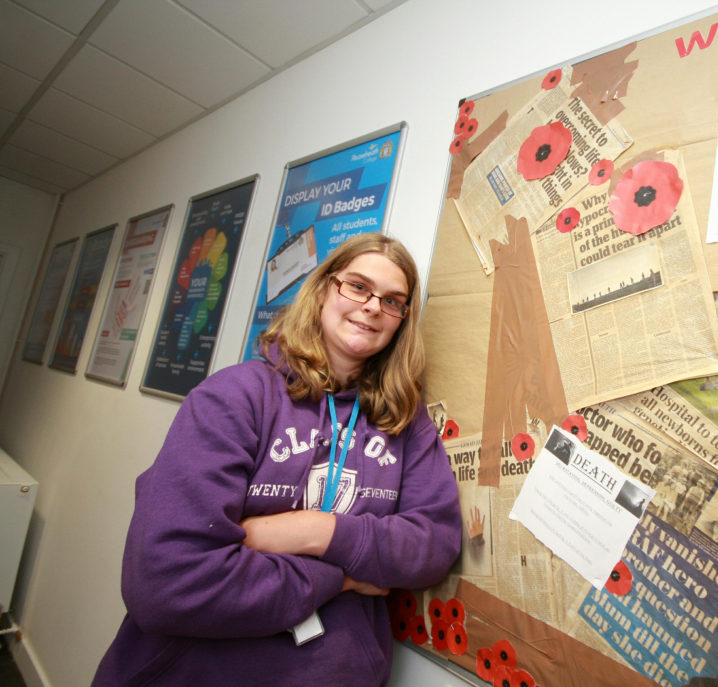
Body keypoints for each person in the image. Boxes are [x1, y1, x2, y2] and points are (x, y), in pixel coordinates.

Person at [92, 233, 462, 686]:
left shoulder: (404, 419)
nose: (372, 307)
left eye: (392, 301)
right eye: (358, 286)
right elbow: (166, 583)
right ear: (323, 289)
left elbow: (434, 545)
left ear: (402, 320)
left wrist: (312, 531)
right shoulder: (235, 396)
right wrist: (342, 579)